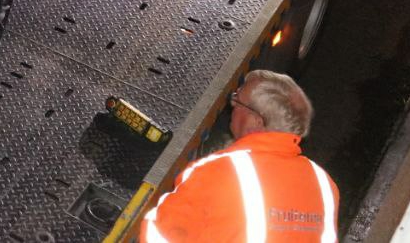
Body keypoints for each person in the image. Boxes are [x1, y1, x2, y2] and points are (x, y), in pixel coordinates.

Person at [140, 69, 339, 242]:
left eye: (238, 100)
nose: (233, 104)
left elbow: (159, 237)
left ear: (257, 120)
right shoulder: (323, 182)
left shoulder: (214, 172)